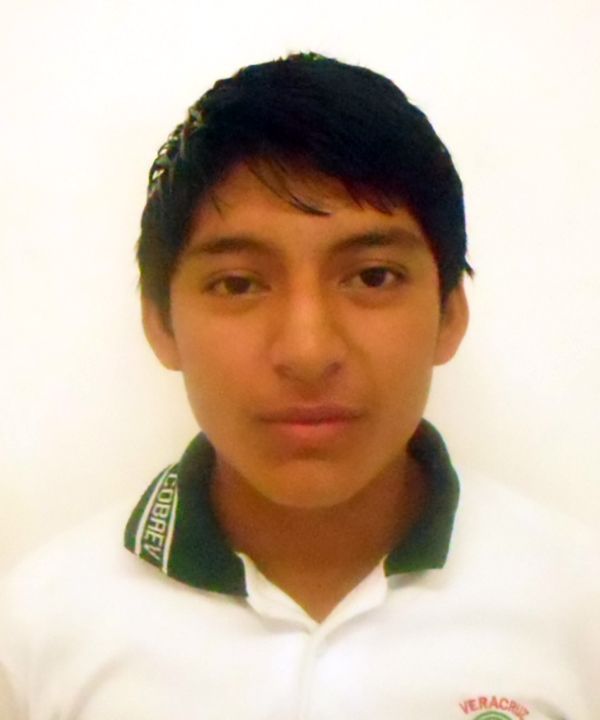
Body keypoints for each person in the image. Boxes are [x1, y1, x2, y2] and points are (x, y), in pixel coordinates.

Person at [1, 51, 598, 720]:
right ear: (161, 325)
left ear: (450, 316)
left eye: (372, 276)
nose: (308, 352)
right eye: (238, 283)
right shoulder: (39, 627)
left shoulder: (578, 604)